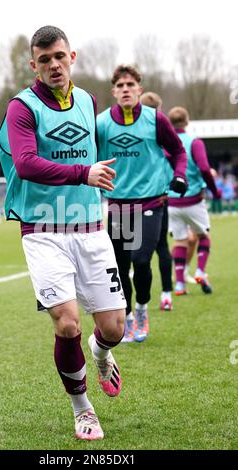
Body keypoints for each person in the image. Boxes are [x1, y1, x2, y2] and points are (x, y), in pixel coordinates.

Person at [0, 26, 126, 441]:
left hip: (90, 230)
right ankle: (82, 409)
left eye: (60, 56)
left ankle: (102, 353)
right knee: (67, 323)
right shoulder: (22, 108)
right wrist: (83, 173)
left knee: (113, 329)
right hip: (43, 232)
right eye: (45, 59)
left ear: (74, 57)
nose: (54, 65)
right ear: (33, 64)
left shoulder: (88, 101)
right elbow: (28, 164)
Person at [97, 66, 187, 344]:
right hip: (118, 205)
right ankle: (126, 317)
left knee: (140, 259)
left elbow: (178, 151)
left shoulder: (156, 120)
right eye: (120, 85)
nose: (125, 89)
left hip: (151, 201)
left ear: (139, 89)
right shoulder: (100, 124)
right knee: (121, 266)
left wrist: (180, 175)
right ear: (114, 92)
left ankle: (142, 310)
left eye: (130, 84)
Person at [167, 106, 222, 295]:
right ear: (187, 121)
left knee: (180, 242)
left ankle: (180, 285)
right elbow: (205, 168)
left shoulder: (165, 144)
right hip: (193, 200)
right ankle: (200, 271)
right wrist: (215, 190)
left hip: (172, 202)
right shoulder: (194, 142)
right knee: (203, 236)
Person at [140, 92, 173, 311]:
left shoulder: (145, 130)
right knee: (162, 246)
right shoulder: (160, 131)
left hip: (140, 198)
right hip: (160, 195)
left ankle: (136, 305)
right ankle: (166, 294)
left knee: (134, 253)